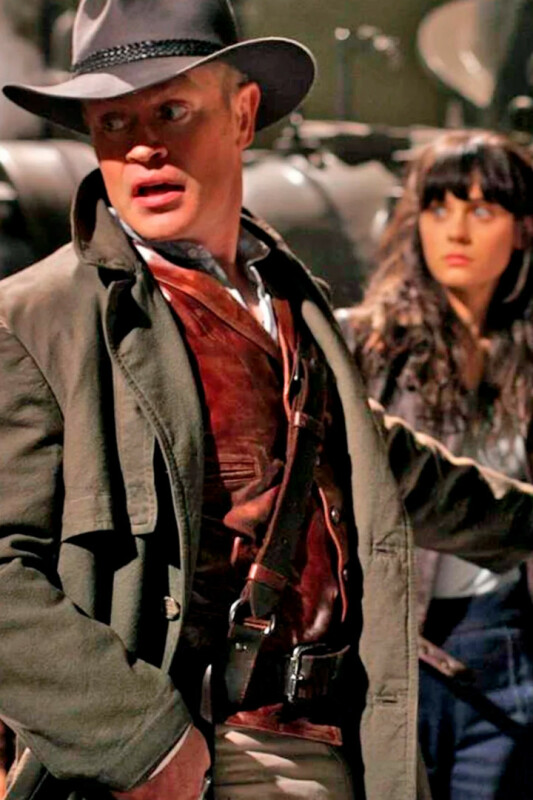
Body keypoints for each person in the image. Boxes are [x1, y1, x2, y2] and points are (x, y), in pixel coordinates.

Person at [2, 5, 533, 799]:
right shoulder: (38, 318)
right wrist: (139, 741)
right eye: (113, 120)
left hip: (336, 735)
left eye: (171, 111)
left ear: (243, 114)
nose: (142, 145)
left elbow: (378, 466)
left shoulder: (286, 300)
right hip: (197, 749)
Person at [342, 129, 533, 800]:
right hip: (391, 642)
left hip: (505, 642)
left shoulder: (524, 355)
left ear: (522, 229)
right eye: (438, 206)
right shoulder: (364, 345)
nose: (455, 230)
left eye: (482, 210)